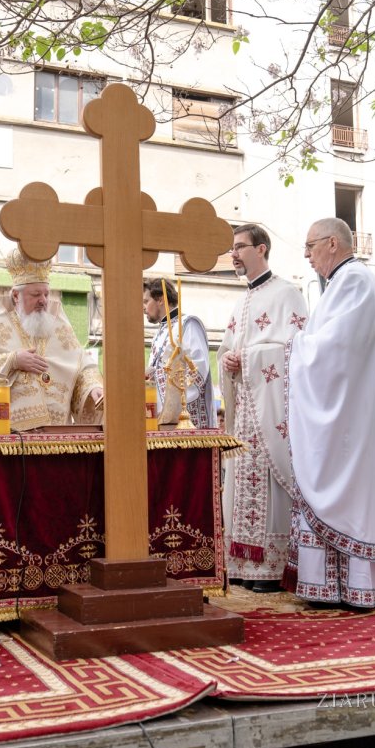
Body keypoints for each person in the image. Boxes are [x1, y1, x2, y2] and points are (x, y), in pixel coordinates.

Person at [283, 218, 375, 608]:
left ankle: (354, 588)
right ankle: (332, 588)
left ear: (332, 243)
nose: (307, 256)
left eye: (310, 246)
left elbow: (336, 350)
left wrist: (291, 347)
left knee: (348, 492)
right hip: (346, 414)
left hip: (351, 420)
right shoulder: (341, 284)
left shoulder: (355, 280)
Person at [218, 223, 309, 593]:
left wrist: (250, 358)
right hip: (244, 415)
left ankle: (271, 569)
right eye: (233, 248)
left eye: (240, 247)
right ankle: (241, 564)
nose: (234, 254)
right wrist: (227, 360)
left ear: (262, 248)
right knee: (239, 488)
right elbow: (226, 348)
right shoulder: (240, 303)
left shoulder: (288, 293)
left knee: (272, 488)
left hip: (273, 414)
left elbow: (299, 350)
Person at [0, 249, 104, 431]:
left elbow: (81, 363)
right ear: (16, 296)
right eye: (35, 295)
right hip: (14, 434)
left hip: (58, 434)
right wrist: (13, 360)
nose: (43, 301)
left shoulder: (58, 320)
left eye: (46, 294)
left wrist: (93, 386)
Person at [143, 277, 215, 427]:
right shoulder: (158, 335)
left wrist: (173, 406)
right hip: (162, 420)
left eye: (145, 302)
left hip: (188, 420)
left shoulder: (188, 324)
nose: (143, 308)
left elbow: (198, 370)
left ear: (161, 300)